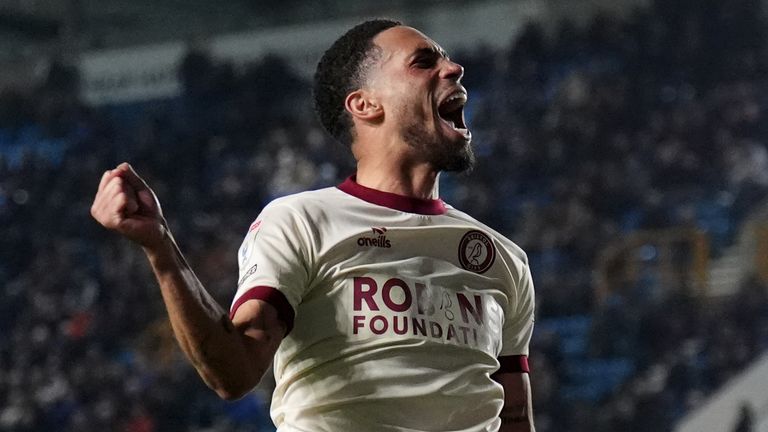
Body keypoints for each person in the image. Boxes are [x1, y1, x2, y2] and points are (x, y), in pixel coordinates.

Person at [90, 19, 536, 432]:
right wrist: (161, 248)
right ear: (365, 104)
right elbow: (234, 372)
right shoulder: (302, 222)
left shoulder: (503, 258)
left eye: (446, 61)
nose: (454, 68)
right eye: (423, 62)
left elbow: (515, 417)